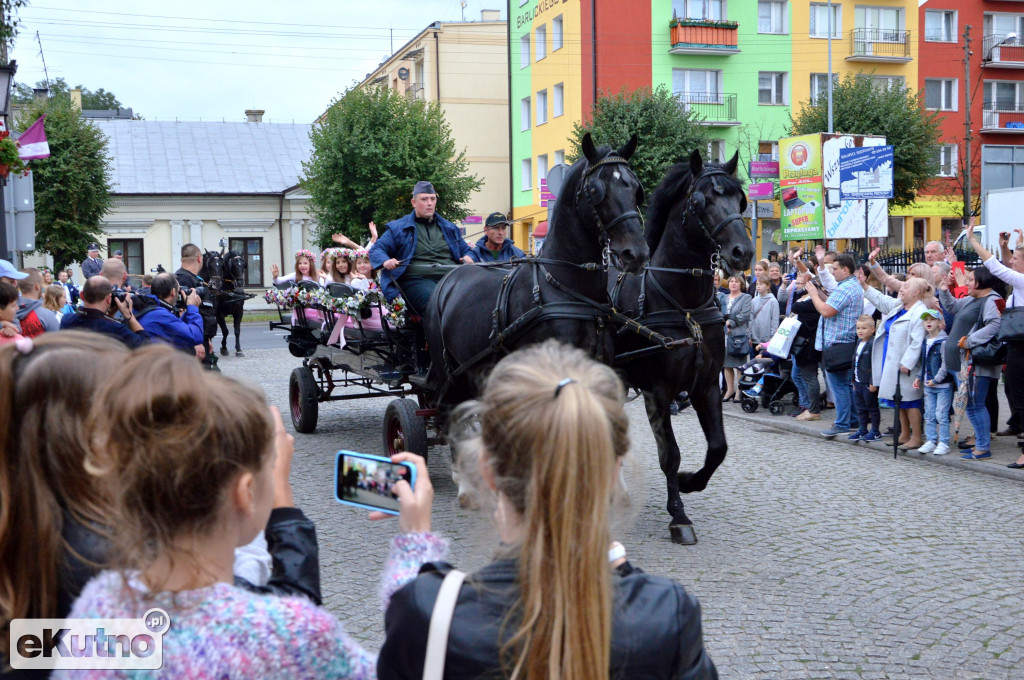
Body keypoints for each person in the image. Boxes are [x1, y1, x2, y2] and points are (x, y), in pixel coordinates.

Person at [61, 346, 446, 679]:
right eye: (273, 471)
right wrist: (416, 545)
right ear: (246, 493)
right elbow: (403, 668)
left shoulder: (98, 606)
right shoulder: (286, 632)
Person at [378, 341, 717, 679]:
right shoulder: (667, 614)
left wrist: (415, 543)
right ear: (614, 471)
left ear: (485, 469)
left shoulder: (427, 612)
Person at [0, 332, 132, 674]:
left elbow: (31, 650)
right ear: (90, 434)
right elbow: (141, 656)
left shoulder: (19, 513)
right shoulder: (104, 551)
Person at [963, 222, 1024, 467]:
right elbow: (1009, 266)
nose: (1011, 260)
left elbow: (996, 267)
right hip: (1016, 348)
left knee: (1021, 401)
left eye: (1016, 258)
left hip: (1021, 349)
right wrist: (1007, 247)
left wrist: (974, 241)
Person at [369, 181, 474, 315]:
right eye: (424, 199)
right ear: (414, 202)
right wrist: (386, 261)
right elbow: (377, 249)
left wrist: (469, 256)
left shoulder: (449, 228)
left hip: (451, 278)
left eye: (433, 199)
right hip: (416, 280)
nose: (429, 203)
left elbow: (467, 251)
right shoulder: (398, 228)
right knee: (437, 302)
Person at [937, 267, 1003, 461]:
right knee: (972, 405)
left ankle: (983, 447)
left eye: (970, 280)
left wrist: (970, 340)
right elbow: (953, 307)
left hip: (976, 363)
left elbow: (995, 325)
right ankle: (981, 445)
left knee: (975, 405)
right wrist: (943, 290)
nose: (966, 283)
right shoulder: (973, 299)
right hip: (962, 363)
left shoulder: (991, 300)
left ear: (981, 282)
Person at [862, 278, 932, 449]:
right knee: (897, 399)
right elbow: (880, 299)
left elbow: (917, 341)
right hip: (891, 360)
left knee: (910, 401)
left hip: (905, 365)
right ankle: (904, 434)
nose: (901, 288)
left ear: (916, 293)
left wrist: (908, 362)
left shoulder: (919, 311)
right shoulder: (899, 306)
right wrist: (864, 285)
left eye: (906, 287)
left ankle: (916, 436)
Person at [805, 253, 863, 439]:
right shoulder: (849, 286)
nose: (833, 272)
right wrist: (820, 292)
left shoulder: (846, 288)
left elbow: (826, 310)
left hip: (838, 342)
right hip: (845, 341)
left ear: (845, 270)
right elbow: (831, 302)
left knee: (839, 386)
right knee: (845, 384)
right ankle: (853, 419)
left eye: (835, 269)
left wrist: (814, 295)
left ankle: (842, 423)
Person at [59, 276, 151, 348]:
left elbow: (93, 321)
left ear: (82, 296)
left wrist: (109, 316)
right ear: (108, 299)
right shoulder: (115, 329)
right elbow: (146, 345)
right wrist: (130, 316)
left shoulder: (66, 320)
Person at [913, 309, 952, 456]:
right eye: (926, 320)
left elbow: (945, 364)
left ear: (940, 323)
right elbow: (923, 363)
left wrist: (937, 380)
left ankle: (944, 442)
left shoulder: (943, 342)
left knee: (941, 414)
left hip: (941, 385)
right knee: (929, 414)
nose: (928, 322)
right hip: (929, 384)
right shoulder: (925, 341)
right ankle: (931, 440)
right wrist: (918, 377)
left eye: (932, 319)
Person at [135, 273, 205, 354]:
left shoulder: (151, 307)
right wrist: (193, 307)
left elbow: (177, 328)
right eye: (179, 290)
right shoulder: (161, 315)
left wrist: (187, 309)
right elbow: (195, 337)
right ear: (173, 292)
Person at [791, 275, 823, 422]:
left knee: (810, 377)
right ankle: (810, 406)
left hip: (808, 345)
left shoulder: (812, 303)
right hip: (806, 344)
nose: (800, 287)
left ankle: (814, 409)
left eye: (804, 285)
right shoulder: (812, 301)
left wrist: (803, 292)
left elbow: (795, 306)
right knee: (803, 376)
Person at [850, 315, 882, 442]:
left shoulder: (872, 344)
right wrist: (853, 380)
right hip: (858, 381)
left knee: (872, 407)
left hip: (868, 382)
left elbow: (875, 364)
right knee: (860, 407)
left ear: (873, 330)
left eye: (864, 328)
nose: (860, 331)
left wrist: (873, 381)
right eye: (858, 328)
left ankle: (875, 431)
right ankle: (862, 429)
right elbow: (854, 362)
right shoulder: (858, 342)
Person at [721, 275, 752, 402]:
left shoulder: (746, 297)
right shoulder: (722, 297)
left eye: (736, 282)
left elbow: (744, 315)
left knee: (739, 364)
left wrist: (730, 323)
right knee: (726, 364)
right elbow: (718, 312)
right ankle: (729, 390)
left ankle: (740, 391)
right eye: (731, 281)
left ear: (741, 284)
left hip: (738, 335)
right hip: (723, 335)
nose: (733, 284)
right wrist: (722, 325)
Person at [15, 268, 61, 338]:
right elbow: (57, 343)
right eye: (41, 283)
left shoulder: (6, 314)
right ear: (37, 286)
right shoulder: (46, 315)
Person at [749, 275, 780, 355]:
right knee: (754, 360)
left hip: (767, 339)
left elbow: (775, 320)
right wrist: (750, 335)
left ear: (768, 286)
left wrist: (772, 337)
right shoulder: (753, 301)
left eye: (761, 284)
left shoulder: (773, 301)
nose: (758, 286)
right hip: (755, 337)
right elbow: (750, 319)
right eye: (757, 284)